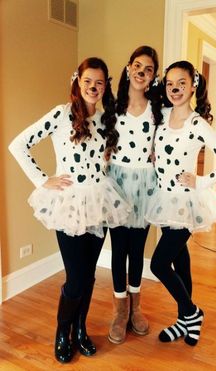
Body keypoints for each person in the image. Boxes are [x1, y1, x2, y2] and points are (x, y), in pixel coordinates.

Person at [8, 57, 131, 363]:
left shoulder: (106, 120)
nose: (93, 87)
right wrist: (41, 180)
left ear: (105, 86)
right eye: (88, 80)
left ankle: (80, 330)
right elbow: (18, 145)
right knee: (76, 278)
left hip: (99, 201)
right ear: (78, 81)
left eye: (99, 82)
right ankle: (62, 332)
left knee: (88, 276)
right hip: (69, 205)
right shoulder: (61, 115)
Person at [145, 60, 216, 346]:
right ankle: (185, 321)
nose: (175, 88)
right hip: (164, 198)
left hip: (187, 202)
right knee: (180, 260)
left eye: (181, 83)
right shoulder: (162, 115)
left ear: (193, 86)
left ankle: (191, 312)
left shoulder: (198, 123)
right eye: (170, 83)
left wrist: (202, 180)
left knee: (159, 264)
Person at [107, 46, 163, 344]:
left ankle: (135, 309)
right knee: (119, 250)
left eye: (149, 69)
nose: (142, 72)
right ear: (129, 68)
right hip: (116, 182)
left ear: (154, 77)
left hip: (145, 184)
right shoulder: (112, 105)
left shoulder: (158, 110)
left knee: (137, 251)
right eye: (138, 66)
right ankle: (119, 311)